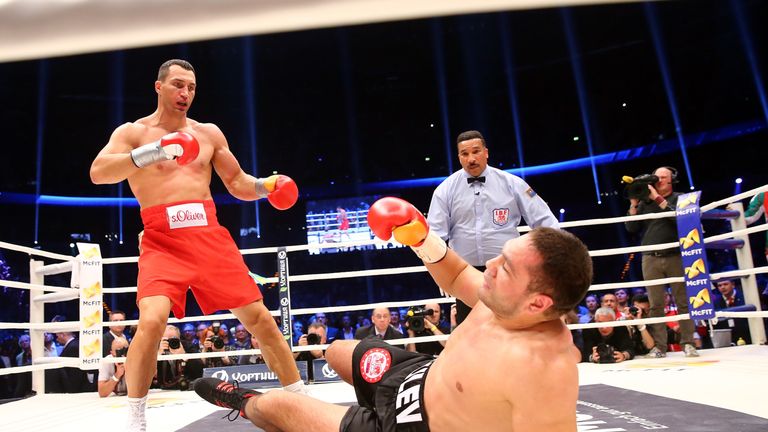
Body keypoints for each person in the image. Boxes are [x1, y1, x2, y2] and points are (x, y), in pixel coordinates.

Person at [194, 197, 593, 431]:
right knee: (336, 350)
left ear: (539, 304)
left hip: (407, 427)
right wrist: (420, 237)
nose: (489, 267)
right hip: (415, 376)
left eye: (505, 267)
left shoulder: (544, 368)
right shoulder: (504, 297)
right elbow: (455, 275)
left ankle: (243, 401)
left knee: (279, 406)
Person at [89, 59, 304, 431]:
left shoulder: (208, 133)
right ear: (159, 87)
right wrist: (154, 151)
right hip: (160, 240)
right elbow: (98, 173)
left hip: (208, 235)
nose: (184, 93)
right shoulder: (134, 133)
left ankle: (300, 401)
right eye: (177, 85)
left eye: (190, 87)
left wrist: (267, 186)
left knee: (262, 320)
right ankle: (136, 419)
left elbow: (237, 182)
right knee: (152, 321)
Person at [427, 130, 559, 326]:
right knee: (470, 333)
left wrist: (554, 261)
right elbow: (435, 237)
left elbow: (545, 221)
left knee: (512, 327)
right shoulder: (445, 190)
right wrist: (442, 274)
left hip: (506, 270)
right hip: (464, 272)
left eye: (476, 151)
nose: (471, 159)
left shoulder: (512, 183)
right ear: (459, 157)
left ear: (486, 152)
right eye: (465, 154)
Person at [625, 166, 699, 358]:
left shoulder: (682, 198)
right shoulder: (644, 202)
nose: (658, 181)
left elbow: (683, 221)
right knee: (655, 305)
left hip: (675, 255)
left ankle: (688, 343)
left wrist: (658, 199)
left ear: (671, 180)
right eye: (655, 177)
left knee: (683, 302)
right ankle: (659, 347)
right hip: (651, 257)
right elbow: (631, 227)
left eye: (662, 177)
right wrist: (634, 203)